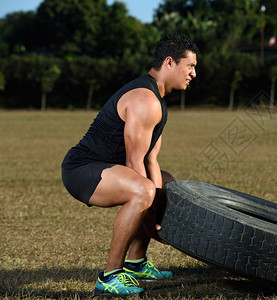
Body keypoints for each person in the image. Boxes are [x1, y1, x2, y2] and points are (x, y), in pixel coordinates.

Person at [61, 33, 199, 296]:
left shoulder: (158, 100)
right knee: (143, 190)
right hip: (82, 170)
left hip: (109, 168)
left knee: (164, 183)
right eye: (190, 66)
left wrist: (157, 207)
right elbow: (134, 161)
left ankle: (135, 262)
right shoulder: (145, 99)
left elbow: (151, 159)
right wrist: (149, 214)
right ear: (170, 62)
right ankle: (110, 275)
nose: (193, 73)